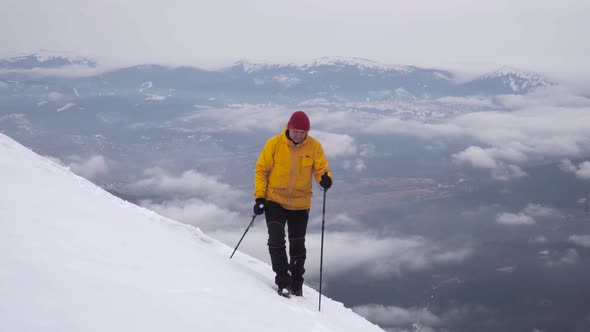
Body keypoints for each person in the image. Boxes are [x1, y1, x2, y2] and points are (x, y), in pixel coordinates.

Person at [253, 110, 332, 297]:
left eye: (303, 132)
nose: (299, 135)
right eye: (296, 131)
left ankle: (297, 283)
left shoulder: (314, 147)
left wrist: (325, 179)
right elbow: (261, 170)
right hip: (274, 200)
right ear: (289, 128)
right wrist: (259, 198)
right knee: (276, 239)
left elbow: (321, 169)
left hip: (300, 203)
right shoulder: (274, 144)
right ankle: (282, 280)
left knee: (297, 247)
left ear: (307, 132)